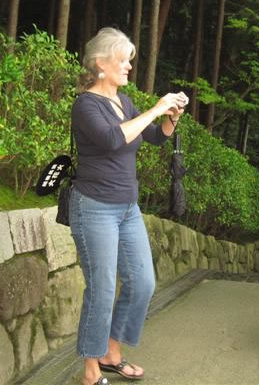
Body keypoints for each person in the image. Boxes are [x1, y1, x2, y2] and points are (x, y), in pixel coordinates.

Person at [68, 27, 188, 385]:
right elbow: (111, 139)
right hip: (94, 207)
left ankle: (110, 352)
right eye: (122, 60)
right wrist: (155, 108)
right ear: (100, 63)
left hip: (126, 208)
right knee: (102, 290)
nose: (128, 67)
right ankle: (91, 372)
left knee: (142, 283)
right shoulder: (86, 104)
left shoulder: (123, 101)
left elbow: (153, 137)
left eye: (129, 61)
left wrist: (169, 119)